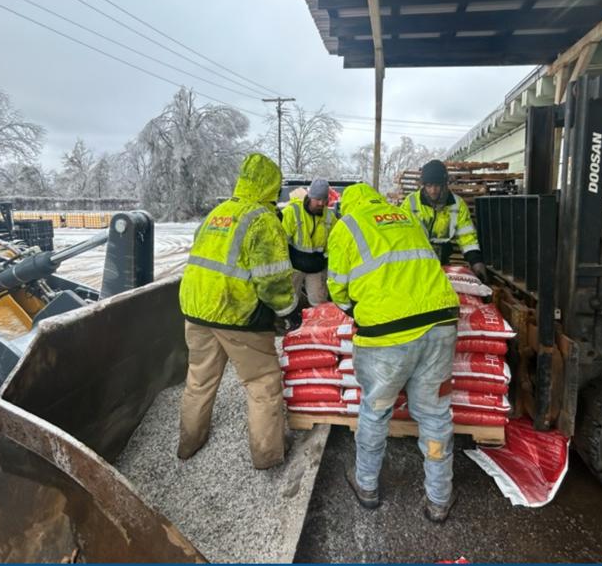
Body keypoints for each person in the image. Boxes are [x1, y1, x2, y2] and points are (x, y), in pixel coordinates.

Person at [326, 183, 461, 522]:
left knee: (376, 410)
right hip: (440, 324)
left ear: (348, 205)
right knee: (434, 416)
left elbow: (337, 286)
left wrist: (357, 312)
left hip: (387, 338)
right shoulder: (404, 215)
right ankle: (439, 499)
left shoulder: (348, 225)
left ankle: (367, 486)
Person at [177, 153, 298, 470]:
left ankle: (189, 444)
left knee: (199, 380)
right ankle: (267, 457)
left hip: (196, 309)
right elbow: (272, 279)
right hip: (236, 313)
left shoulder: (217, 213)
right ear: (271, 185)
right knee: (263, 384)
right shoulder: (262, 220)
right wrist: (287, 310)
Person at [403, 159, 488, 281]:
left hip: (442, 261)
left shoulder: (457, 205)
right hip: (415, 261)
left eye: (437, 185)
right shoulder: (410, 203)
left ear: (444, 184)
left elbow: (467, 237)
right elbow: (401, 232)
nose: (433, 190)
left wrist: (476, 262)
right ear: (424, 185)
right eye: (429, 185)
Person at [281, 178, 337, 307]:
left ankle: (318, 325)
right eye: (317, 199)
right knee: (287, 301)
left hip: (316, 268)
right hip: (293, 267)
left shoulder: (329, 217)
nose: (321, 203)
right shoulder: (292, 212)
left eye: (324, 199)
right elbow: (280, 240)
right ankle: (286, 323)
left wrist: (325, 262)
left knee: (319, 302)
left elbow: (334, 243)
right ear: (310, 196)